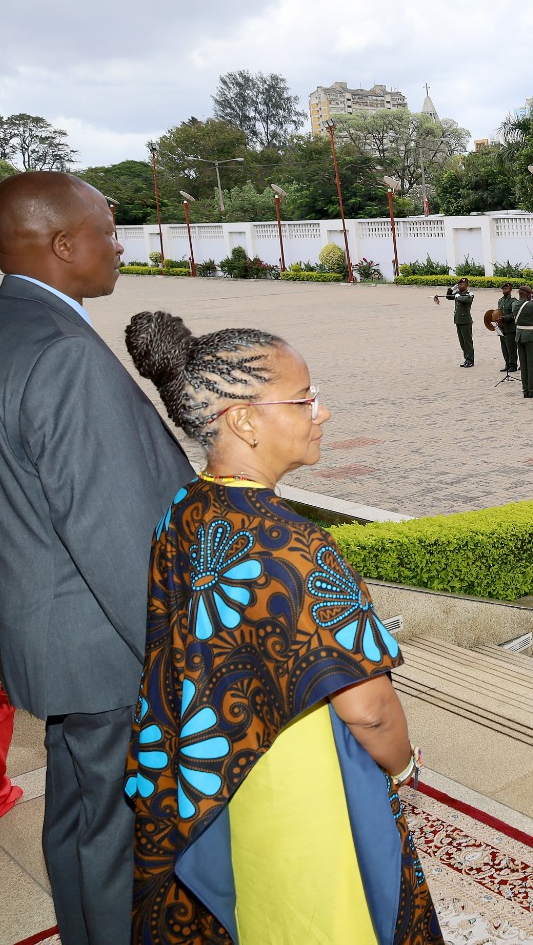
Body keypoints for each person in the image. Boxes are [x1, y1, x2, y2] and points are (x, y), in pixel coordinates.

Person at [122, 311, 439, 943]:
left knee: (253, 905)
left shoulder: (185, 507)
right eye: (304, 399)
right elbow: (369, 709)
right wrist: (402, 768)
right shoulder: (297, 545)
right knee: (326, 912)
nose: (321, 413)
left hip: (216, 771)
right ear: (242, 419)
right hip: (301, 773)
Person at [0, 172, 196, 945]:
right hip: (106, 646)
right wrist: (181, 662)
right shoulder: (61, 351)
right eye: (107, 231)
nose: (120, 246)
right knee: (116, 836)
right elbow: (114, 532)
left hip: (59, 633)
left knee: (82, 812)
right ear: (64, 244)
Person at [441, 276, 475, 367]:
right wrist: (452, 289)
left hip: (465, 321)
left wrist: (457, 296)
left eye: (461, 284)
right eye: (458, 284)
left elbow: (466, 299)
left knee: (467, 342)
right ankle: (466, 358)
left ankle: (470, 360)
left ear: (466, 285)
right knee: (462, 342)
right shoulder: (458, 293)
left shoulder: (469, 294)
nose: (459, 286)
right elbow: (448, 297)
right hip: (458, 320)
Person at [495, 281, 519, 372]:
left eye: (506, 289)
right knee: (504, 347)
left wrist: (504, 318)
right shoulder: (500, 301)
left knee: (511, 347)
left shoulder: (513, 301)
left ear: (510, 290)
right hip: (502, 327)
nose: (504, 290)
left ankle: (513, 364)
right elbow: (498, 312)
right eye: (503, 289)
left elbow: (514, 315)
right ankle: (507, 363)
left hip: (510, 327)